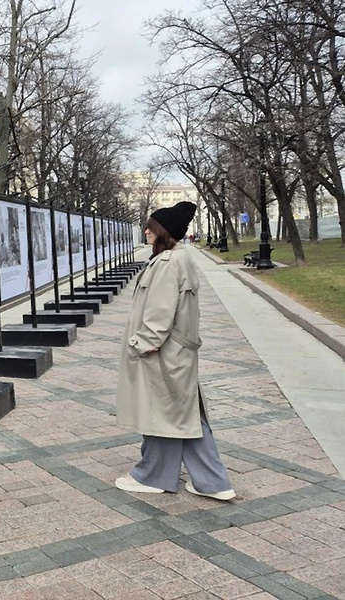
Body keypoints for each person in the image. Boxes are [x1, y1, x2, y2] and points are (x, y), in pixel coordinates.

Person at [115, 201, 235, 501]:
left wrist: (140, 345)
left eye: (151, 228)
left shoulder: (168, 263)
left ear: (163, 232)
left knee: (164, 414)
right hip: (174, 354)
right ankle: (213, 482)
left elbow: (159, 314)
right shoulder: (176, 258)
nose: (146, 232)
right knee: (183, 415)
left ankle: (153, 476)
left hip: (163, 355)